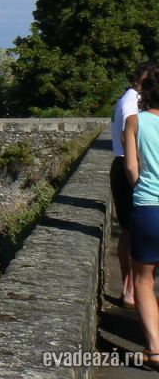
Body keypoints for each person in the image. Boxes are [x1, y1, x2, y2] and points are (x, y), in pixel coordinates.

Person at [124, 64, 159, 365]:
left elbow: (132, 167)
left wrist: (142, 190)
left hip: (148, 208)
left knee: (144, 280)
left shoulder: (135, 122)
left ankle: (156, 349)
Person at [115, 63, 150, 308]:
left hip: (125, 165)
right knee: (130, 230)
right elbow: (129, 135)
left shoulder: (129, 99)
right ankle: (129, 289)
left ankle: (129, 288)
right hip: (128, 167)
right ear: (139, 81)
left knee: (129, 229)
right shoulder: (132, 102)